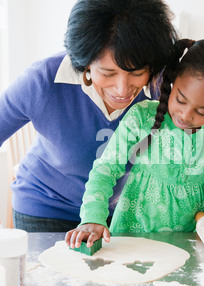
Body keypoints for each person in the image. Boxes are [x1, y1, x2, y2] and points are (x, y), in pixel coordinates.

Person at [66, 39, 204, 249]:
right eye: (180, 100)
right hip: (131, 239)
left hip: (190, 243)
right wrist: (92, 218)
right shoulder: (142, 116)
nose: (185, 115)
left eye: (202, 111)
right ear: (173, 79)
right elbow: (105, 169)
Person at [0, 0, 178, 232]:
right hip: (47, 210)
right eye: (107, 73)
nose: (122, 90)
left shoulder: (164, 88)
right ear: (85, 63)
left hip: (123, 215)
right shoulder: (43, 80)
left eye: (136, 72)